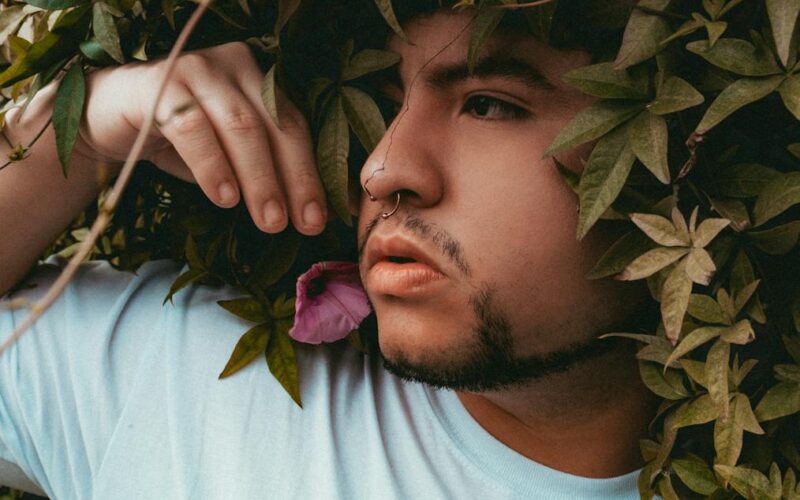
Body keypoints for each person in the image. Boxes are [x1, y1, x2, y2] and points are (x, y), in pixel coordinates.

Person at [0, 4, 657, 498]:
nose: (381, 168)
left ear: (676, 149)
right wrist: (76, 130)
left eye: (488, 106)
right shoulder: (181, 375)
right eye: (382, 104)